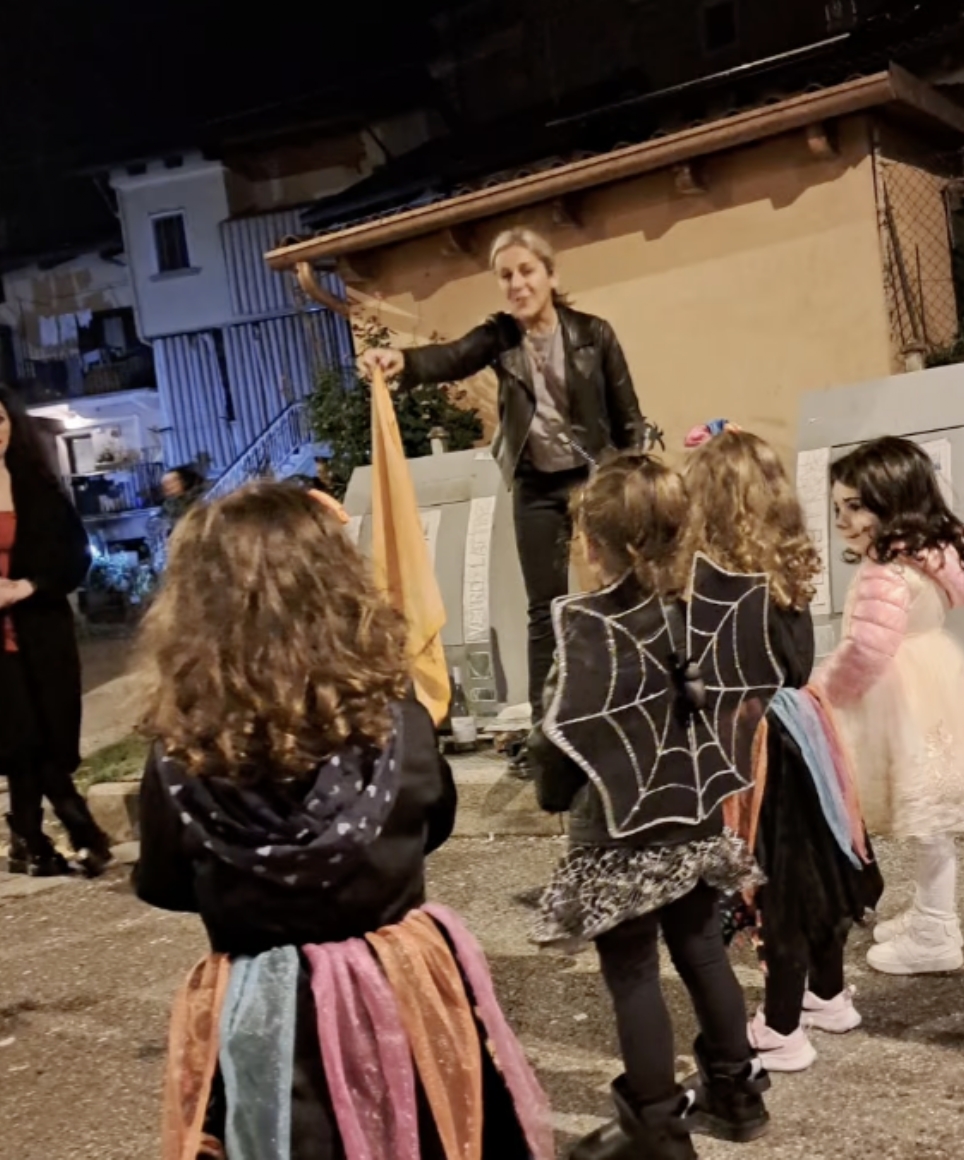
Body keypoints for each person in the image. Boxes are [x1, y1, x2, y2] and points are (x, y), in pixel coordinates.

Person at [133, 483, 552, 1160]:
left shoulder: (182, 760)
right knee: (439, 1131)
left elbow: (161, 882)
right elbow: (433, 822)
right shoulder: (399, 729)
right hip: (403, 997)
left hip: (273, 1023)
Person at [529, 454, 772, 1160]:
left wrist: (550, 795)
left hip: (616, 831)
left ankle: (658, 1130)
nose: (577, 549)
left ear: (602, 546)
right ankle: (737, 1094)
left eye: (581, 535)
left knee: (633, 972)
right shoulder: (701, 612)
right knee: (703, 952)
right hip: (694, 816)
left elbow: (557, 739)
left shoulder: (589, 630)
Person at [363, 227, 648, 747]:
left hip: (595, 482)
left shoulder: (594, 334)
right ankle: (547, 729)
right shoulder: (500, 337)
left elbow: (628, 420)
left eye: (526, 271)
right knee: (545, 608)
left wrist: (628, 483)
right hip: (537, 486)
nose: (517, 284)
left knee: (619, 593)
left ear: (550, 275)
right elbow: (451, 356)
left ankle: (635, 702)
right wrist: (401, 361)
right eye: (506, 276)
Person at [683, 424, 883, 1071]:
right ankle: (828, 994)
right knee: (821, 869)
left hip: (761, 746)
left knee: (780, 885)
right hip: (807, 731)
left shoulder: (720, 582)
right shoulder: (786, 567)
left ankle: (781, 1026)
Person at [814, 437, 964, 975]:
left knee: (925, 819)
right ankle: (932, 913)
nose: (843, 518)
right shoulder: (929, 557)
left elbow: (866, 650)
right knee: (928, 816)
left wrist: (822, 692)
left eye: (856, 505)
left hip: (897, 697)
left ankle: (936, 930)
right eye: (838, 506)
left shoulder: (886, 571)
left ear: (894, 500)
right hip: (935, 682)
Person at [0, 385, 112, 877]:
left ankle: (27, 838)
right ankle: (82, 828)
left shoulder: (37, 483)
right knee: (22, 737)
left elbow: (74, 554)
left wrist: (29, 586)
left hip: (41, 627)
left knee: (51, 733)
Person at [161, 464, 206, 533]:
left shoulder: (203, 495)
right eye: (165, 484)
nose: (168, 486)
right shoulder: (167, 508)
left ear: (184, 481)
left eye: (172, 481)